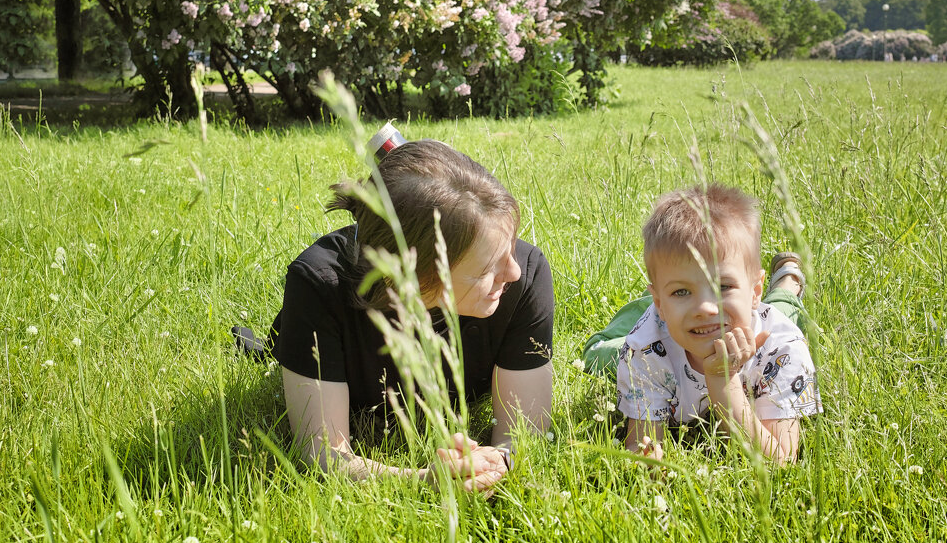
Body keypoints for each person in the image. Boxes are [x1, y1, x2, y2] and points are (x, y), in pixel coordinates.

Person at [269, 138, 554, 491]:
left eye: (510, 247)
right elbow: (322, 454)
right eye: (485, 270)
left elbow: (525, 432)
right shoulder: (318, 286)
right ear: (413, 278)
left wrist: (497, 463)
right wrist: (423, 481)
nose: (513, 273)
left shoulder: (525, 277)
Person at [604, 184, 821, 464]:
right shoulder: (645, 349)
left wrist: (723, 381)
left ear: (755, 291)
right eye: (681, 291)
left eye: (723, 286)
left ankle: (787, 282)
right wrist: (648, 460)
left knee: (783, 308)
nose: (705, 308)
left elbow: (780, 460)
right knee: (599, 354)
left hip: (761, 320)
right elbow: (642, 443)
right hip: (668, 324)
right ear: (658, 302)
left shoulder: (782, 348)